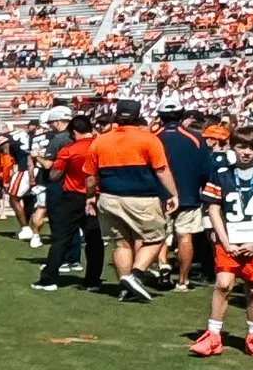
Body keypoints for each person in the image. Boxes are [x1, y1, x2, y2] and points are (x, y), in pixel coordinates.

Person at [187, 123, 253, 363]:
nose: (246, 152)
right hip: (230, 239)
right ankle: (213, 334)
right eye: (241, 146)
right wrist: (224, 241)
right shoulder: (222, 173)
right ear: (232, 146)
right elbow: (214, 209)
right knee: (223, 284)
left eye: (252, 147)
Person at [92, 100, 176, 303]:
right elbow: (161, 169)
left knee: (121, 243)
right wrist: (173, 193)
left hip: (109, 197)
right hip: (142, 197)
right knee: (155, 238)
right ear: (138, 117)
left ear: (116, 116)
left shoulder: (100, 141)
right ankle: (136, 275)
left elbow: (90, 175)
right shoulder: (149, 139)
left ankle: (125, 288)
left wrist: (89, 196)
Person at [35, 112, 98, 292]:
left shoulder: (69, 150)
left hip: (73, 196)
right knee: (94, 240)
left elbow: (54, 175)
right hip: (97, 196)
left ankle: (49, 279)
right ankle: (93, 280)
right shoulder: (100, 145)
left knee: (61, 238)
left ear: (75, 132)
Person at [159, 109, 216, 293]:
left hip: (161, 195)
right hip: (188, 194)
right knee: (185, 236)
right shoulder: (195, 138)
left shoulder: (154, 136)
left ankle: (163, 267)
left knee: (160, 236)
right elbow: (206, 169)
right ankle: (183, 280)